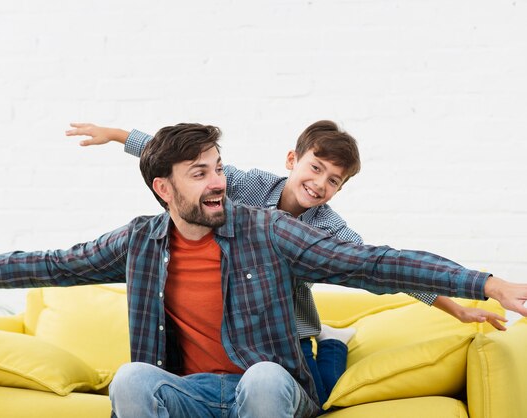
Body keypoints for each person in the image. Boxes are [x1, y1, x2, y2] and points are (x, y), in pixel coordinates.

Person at [0, 123, 526, 418]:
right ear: (162, 189)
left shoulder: (269, 228)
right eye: (199, 173)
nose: (218, 182)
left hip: (273, 386)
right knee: (130, 381)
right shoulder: (141, 242)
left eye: (218, 168)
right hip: (194, 393)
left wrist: (487, 285)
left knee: (259, 377)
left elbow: (374, 263)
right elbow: (49, 264)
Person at [65, 120, 507, 412]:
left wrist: (460, 307)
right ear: (293, 161)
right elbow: (176, 159)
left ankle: (333, 342)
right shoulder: (246, 186)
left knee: (319, 386)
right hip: (242, 324)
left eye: (334, 180)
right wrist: (115, 134)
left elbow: (382, 270)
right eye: (315, 168)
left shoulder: (331, 229)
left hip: (288, 333)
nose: (320, 184)